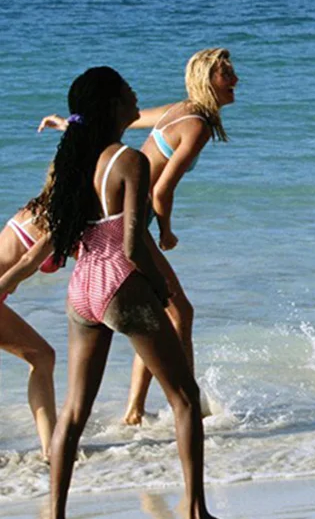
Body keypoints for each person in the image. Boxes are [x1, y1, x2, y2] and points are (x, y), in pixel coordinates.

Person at [25, 66, 217, 519]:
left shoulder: (74, 159)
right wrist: (159, 289)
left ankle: (54, 513)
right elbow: (132, 244)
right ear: (112, 105)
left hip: (82, 289)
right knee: (184, 398)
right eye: (130, 93)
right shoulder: (130, 160)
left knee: (73, 413)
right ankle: (194, 510)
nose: (137, 99)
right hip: (121, 284)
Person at [39, 47, 238, 424]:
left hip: (121, 216)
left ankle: (137, 409)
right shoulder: (196, 125)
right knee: (179, 312)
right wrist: (165, 231)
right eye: (225, 74)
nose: (235, 80)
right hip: (135, 219)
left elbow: (119, 123)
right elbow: (161, 190)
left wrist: (72, 125)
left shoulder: (179, 109)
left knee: (157, 313)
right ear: (205, 80)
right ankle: (185, 405)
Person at [0, 193, 60, 459]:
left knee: (42, 357)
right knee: (42, 357)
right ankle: (53, 449)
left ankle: (51, 450)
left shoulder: (42, 210)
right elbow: (27, 262)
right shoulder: (53, 218)